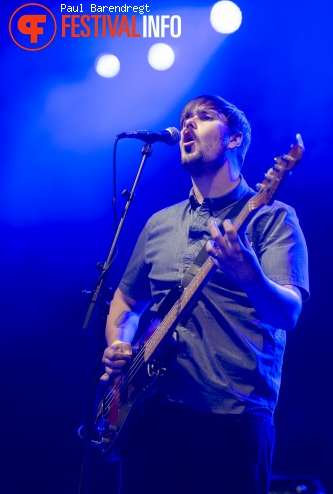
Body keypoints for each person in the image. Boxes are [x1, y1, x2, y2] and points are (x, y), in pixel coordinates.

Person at [101, 95, 309, 494]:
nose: (188, 125)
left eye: (205, 117)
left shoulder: (272, 216)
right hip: (149, 416)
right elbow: (127, 302)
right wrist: (119, 343)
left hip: (231, 419)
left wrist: (249, 273)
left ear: (234, 140)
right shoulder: (159, 223)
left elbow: (287, 314)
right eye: (185, 119)